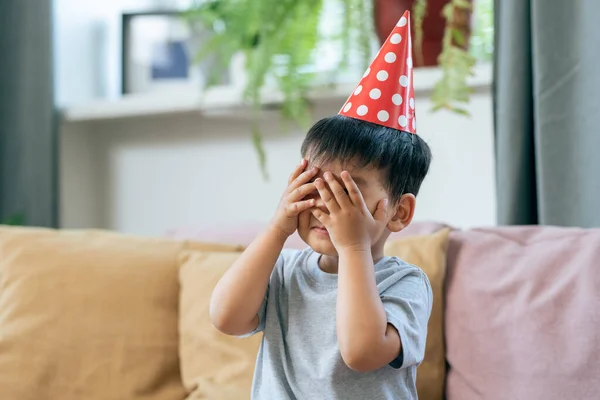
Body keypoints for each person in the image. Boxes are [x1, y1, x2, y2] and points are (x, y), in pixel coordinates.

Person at [210, 10, 433, 400]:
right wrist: (279, 226)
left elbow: (362, 351)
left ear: (399, 213)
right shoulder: (283, 271)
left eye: (346, 192)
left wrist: (353, 247)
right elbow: (226, 318)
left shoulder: (405, 284)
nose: (323, 204)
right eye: (313, 183)